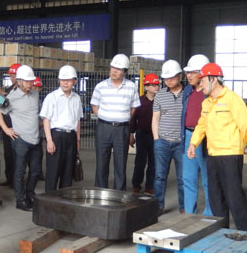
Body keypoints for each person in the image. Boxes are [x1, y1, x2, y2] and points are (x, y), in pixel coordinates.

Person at [188, 63, 247, 231]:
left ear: (213, 79)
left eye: (203, 80)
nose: (200, 84)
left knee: (234, 195)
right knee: (215, 196)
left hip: (230, 155)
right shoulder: (207, 103)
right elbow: (201, 125)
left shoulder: (231, 98)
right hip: (213, 154)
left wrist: (239, 145)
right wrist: (193, 143)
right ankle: (221, 229)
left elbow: (246, 124)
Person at [0, 65, 42, 211]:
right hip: (21, 141)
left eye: (31, 81)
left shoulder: (35, 95)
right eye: (27, 81)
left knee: (35, 171)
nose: (30, 84)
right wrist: (6, 130)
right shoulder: (12, 98)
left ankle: (30, 195)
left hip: (35, 139)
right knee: (20, 172)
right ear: (20, 81)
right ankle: (20, 200)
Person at [91, 54, 140, 190]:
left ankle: (119, 194)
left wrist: (122, 118)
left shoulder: (131, 87)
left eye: (118, 69)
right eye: (113, 67)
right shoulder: (100, 86)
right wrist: (105, 117)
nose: (114, 71)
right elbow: (95, 106)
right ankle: (100, 192)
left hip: (122, 129)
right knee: (101, 163)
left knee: (120, 163)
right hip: (104, 128)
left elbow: (134, 107)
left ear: (124, 71)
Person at [40, 65, 83, 191]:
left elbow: (78, 120)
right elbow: (46, 119)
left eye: (68, 80)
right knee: (53, 171)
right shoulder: (51, 97)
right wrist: (49, 140)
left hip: (71, 136)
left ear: (74, 81)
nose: (65, 83)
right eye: (63, 80)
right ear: (59, 80)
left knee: (68, 172)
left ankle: (64, 200)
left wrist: (78, 139)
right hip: (56, 136)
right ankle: (50, 199)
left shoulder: (76, 98)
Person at [181, 54, 213, 216]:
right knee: (188, 178)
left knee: (208, 179)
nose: (189, 76)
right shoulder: (188, 90)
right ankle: (189, 214)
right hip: (188, 136)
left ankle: (210, 215)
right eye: (187, 72)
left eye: (192, 72)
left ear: (202, 73)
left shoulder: (211, 93)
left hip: (205, 139)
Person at [152, 60, 185, 213]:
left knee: (182, 178)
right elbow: (155, 118)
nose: (169, 80)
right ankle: (158, 206)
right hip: (162, 142)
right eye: (166, 78)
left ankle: (184, 207)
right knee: (160, 176)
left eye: (172, 77)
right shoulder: (159, 95)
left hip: (181, 143)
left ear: (180, 76)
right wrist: (156, 139)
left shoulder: (188, 94)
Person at [130, 73, 159, 194]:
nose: (156, 87)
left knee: (153, 162)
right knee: (140, 162)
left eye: (157, 85)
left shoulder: (159, 101)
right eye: (153, 85)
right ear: (146, 87)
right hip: (142, 134)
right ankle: (136, 184)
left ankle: (150, 186)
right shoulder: (139, 101)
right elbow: (133, 118)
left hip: (155, 136)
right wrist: (131, 134)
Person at [0, 63, 21, 187]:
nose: (12, 79)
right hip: (6, 126)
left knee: (16, 154)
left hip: (16, 126)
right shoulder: (10, 88)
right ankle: (9, 178)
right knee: (8, 154)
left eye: (14, 76)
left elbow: (9, 102)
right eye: (11, 76)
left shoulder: (21, 90)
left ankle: (16, 180)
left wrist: (3, 95)